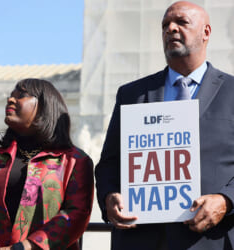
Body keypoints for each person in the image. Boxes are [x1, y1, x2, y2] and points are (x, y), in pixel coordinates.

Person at [95, 1, 234, 250]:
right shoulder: (132, 94)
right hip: (140, 241)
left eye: (181, 22)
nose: (170, 29)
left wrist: (226, 201)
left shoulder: (232, 92)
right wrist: (109, 197)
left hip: (210, 240)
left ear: (206, 32)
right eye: (165, 25)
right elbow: (109, 164)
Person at [0, 78, 94, 250]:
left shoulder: (75, 161)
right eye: (11, 95)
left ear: (45, 106)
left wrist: (24, 247)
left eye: (21, 95)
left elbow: (76, 214)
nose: (10, 99)